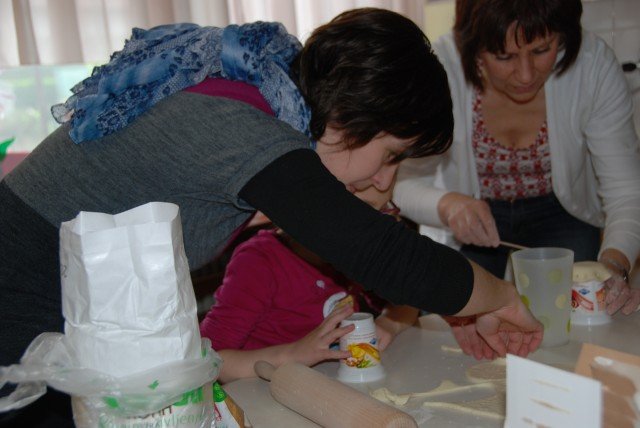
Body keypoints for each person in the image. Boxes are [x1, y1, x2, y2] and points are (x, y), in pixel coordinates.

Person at [0, 8, 542, 427]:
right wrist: (502, 297)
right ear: (351, 117)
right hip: (21, 307)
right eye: (392, 155)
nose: (385, 181)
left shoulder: (259, 98)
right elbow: (383, 255)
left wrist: (458, 305)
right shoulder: (245, 128)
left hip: (65, 310)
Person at [394, 0, 640, 340]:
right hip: (472, 221)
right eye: (504, 56)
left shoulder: (592, 64)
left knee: (577, 327)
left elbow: (626, 191)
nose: (525, 75)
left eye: (542, 50)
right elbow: (399, 183)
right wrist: (449, 205)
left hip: (563, 213)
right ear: (473, 48)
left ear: (563, 36)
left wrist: (613, 264)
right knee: (456, 329)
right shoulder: (442, 68)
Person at [200, 183, 420, 383]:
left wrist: (388, 324)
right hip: (263, 391)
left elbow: (411, 298)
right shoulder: (259, 261)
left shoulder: (354, 255)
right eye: (364, 217)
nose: (377, 232)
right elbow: (210, 360)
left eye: (384, 211)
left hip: (328, 383)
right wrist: (294, 354)